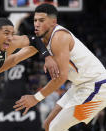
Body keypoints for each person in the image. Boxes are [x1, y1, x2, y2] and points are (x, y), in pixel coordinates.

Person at [13, 3, 106, 131]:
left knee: (55, 128)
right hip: (79, 86)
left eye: (41, 20)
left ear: (53, 22)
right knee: (47, 125)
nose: (36, 24)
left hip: (98, 87)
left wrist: (35, 98)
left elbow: (61, 78)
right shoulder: (44, 40)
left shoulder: (59, 37)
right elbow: (15, 53)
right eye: (35, 20)